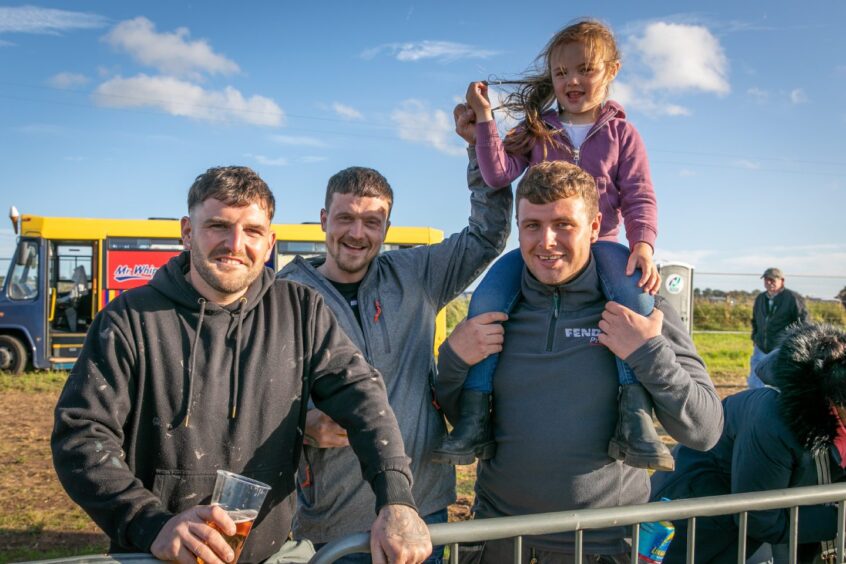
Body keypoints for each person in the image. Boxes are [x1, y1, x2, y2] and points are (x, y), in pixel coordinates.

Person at [51, 166, 432, 564]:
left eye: (252, 231)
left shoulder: (301, 311)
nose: (235, 244)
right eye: (218, 225)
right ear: (186, 231)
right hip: (161, 554)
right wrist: (150, 523)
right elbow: (81, 436)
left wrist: (397, 500)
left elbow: (363, 398)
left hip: (269, 552)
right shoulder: (129, 319)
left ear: (269, 243)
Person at [435, 160, 723, 562]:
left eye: (563, 225)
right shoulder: (494, 311)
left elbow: (705, 430)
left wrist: (647, 353)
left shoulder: (641, 311)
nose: (546, 241)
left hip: (601, 547)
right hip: (497, 542)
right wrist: (452, 357)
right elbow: (455, 414)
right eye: (532, 226)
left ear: (594, 227)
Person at [432, 18, 669, 471]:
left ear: (612, 70)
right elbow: (499, 172)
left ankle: (634, 411)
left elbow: (639, 194)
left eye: (585, 69)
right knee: (486, 299)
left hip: (600, 246)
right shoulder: (539, 127)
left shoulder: (623, 134)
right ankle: (475, 415)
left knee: (635, 297)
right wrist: (485, 120)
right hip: (538, 250)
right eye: (561, 73)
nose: (572, 81)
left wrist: (643, 243)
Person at [277, 125, 512, 563]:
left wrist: (479, 144)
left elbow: (487, 235)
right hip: (336, 521)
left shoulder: (416, 274)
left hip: (422, 509)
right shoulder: (285, 295)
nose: (357, 232)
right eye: (345, 217)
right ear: (324, 219)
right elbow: (258, 398)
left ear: (387, 226)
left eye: (372, 221)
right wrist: (303, 422)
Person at [651, 324, 846, 564]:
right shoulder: (775, 420)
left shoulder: (830, 414)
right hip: (700, 523)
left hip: (766, 529)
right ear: (837, 401)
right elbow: (759, 518)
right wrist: (841, 519)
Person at [748, 267, 809, 388]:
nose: (768, 282)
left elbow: (803, 322)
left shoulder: (792, 298)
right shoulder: (760, 298)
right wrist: (755, 337)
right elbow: (755, 320)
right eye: (766, 279)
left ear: (782, 280)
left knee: (777, 383)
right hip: (760, 348)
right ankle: (756, 401)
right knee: (755, 381)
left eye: (772, 279)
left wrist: (796, 343)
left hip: (779, 348)